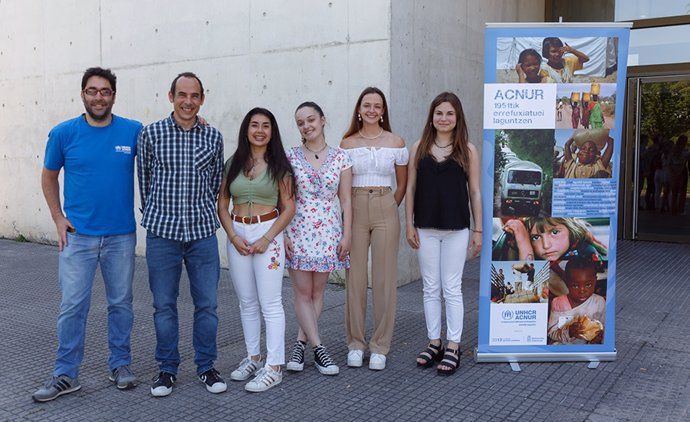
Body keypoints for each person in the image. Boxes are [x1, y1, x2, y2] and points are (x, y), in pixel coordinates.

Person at [33, 67, 142, 402]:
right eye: (93, 91)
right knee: (72, 306)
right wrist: (58, 218)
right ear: (82, 94)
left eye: (105, 91)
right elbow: (49, 176)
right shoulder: (64, 133)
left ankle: (120, 365)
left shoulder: (133, 131)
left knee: (121, 304)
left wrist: (199, 125)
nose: (99, 97)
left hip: (120, 237)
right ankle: (66, 374)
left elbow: (169, 140)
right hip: (78, 237)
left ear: (113, 95)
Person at [138, 72, 226, 397]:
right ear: (171, 96)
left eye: (194, 96)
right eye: (182, 95)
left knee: (208, 305)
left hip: (202, 234)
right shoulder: (151, 134)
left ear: (202, 99)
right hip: (163, 235)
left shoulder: (213, 137)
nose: (188, 101)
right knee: (164, 305)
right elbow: (144, 181)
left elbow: (217, 182)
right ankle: (166, 369)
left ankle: (206, 366)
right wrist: (156, 215)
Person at [217, 107, 296, 392]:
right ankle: (253, 357)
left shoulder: (280, 167)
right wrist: (233, 235)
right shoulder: (233, 163)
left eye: (266, 126)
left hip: (268, 234)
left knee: (270, 302)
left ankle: (274, 367)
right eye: (254, 125)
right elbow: (222, 204)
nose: (260, 130)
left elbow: (289, 208)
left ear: (272, 132)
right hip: (238, 234)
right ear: (246, 129)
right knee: (247, 301)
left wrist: (267, 238)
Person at [405, 92, 482, 375]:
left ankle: (453, 345)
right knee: (430, 287)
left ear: (457, 117)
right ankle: (434, 342)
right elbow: (411, 188)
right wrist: (409, 224)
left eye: (450, 113)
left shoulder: (467, 150)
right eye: (439, 113)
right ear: (432, 116)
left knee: (451, 288)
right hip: (425, 227)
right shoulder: (419, 147)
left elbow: (474, 191)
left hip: (457, 228)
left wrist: (479, 229)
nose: (444, 118)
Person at [340, 87, 408, 371]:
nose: (371, 110)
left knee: (384, 280)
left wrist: (388, 205)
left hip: (384, 206)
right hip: (354, 208)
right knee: (354, 279)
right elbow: (342, 186)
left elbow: (402, 184)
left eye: (377, 106)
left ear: (383, 111)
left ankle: (380, 345)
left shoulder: (395, 142)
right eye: (366, 105)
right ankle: (356, 343)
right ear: (359, 109)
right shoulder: (346, 143)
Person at [284, 102, 352, 376]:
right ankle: (319, 348)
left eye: (311, 119)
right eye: (301, 122)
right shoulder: (289, 157)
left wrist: (347, 234)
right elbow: (285, 198)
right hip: (298, 229)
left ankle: (300, 345)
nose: (306, 126)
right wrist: (285, 233)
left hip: (328, 232)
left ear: (323, 120)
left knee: (318, 292)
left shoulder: (340, 158)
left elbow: (346, 200)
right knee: (302, 292)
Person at [547, 258, 605, 344]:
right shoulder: (558, 303)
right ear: (566, 282)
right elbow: (551, 333)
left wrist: (599, 337)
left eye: (588, 285)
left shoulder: (599, 302)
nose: (582, 290)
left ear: (595, 280)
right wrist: (569, 332)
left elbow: (604, 328)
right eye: (575, 286)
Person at [501, 217, 607, 262]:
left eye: (555, 232)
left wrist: (524, 243)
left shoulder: (584, 253)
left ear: (571, 230)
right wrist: (516, 246)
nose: (546, 245)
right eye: (536, 237)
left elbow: (528, 282)